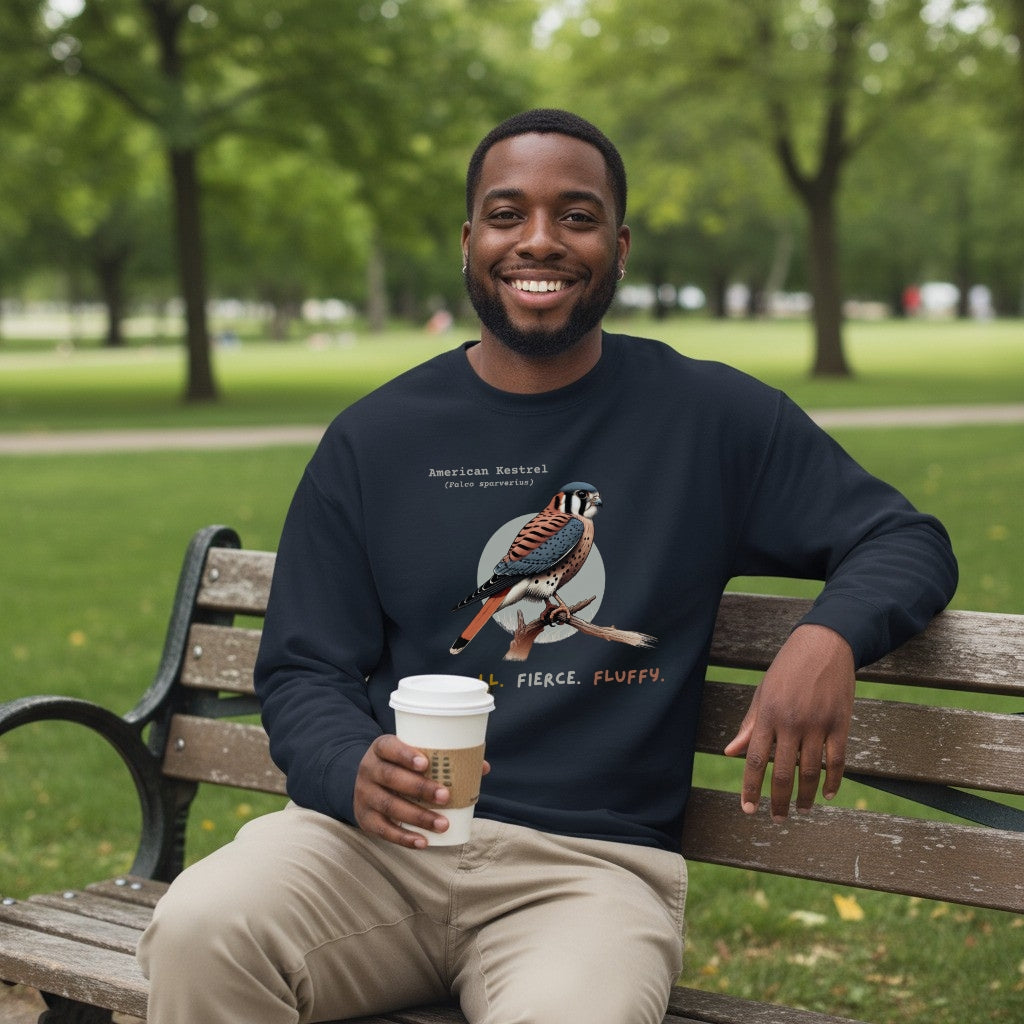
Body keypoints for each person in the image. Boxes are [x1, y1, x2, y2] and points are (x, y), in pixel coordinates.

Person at [137, 109, 957, 1024]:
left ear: (618, 244)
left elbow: (906, 538)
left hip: (587, 875)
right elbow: (302, 668)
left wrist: (826, 636)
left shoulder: (711, 419)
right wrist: (346, 764)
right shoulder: (376, 439)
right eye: (506, 214)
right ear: (469, 240)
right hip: (368, 849)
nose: (539, 240)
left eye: (575, 215)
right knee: (199, 930)